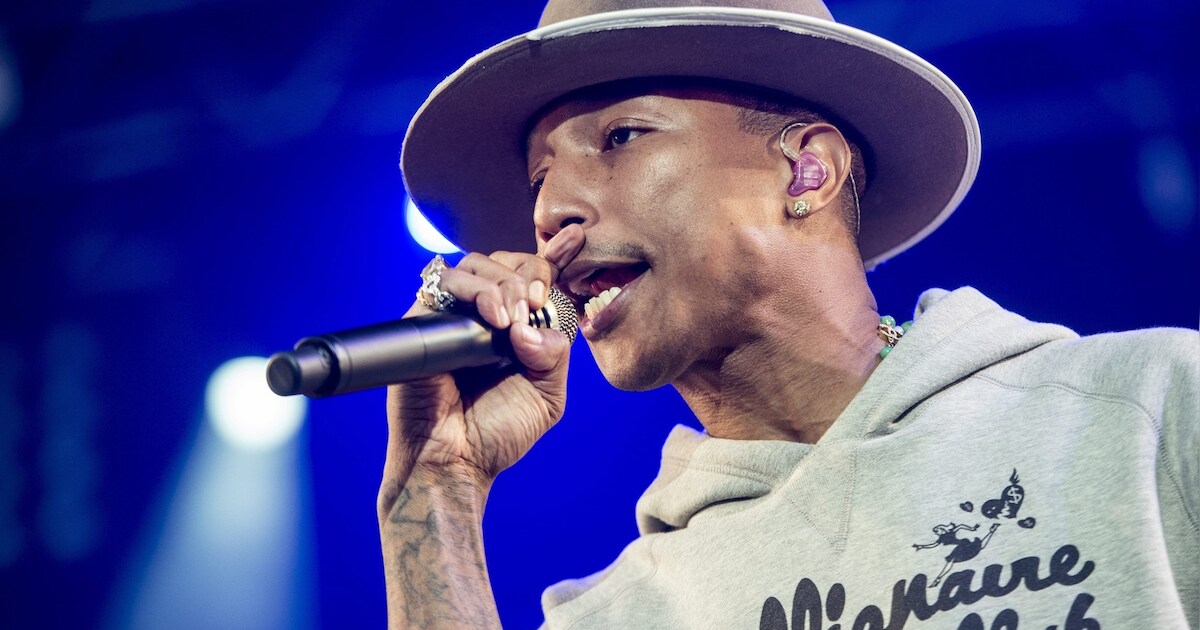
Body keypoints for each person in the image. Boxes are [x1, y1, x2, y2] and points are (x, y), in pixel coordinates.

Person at [378, 1, 1198, 628]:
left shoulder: (1150, 407)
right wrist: (434, 487)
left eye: (621, 137)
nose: (549, 212)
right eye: (537, 182)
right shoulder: (622, 614)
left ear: (808, 172)